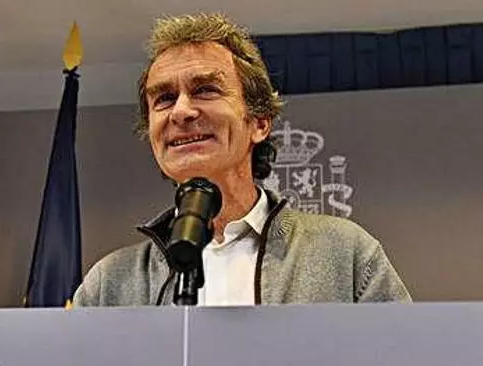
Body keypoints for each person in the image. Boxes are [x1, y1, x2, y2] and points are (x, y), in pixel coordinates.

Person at [72, 13, 410, 307]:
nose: (181, 111)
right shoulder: (107, 284)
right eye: (164, 98)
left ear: (259, 122)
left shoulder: (346, 254)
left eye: (205, 90)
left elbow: (406, 359)